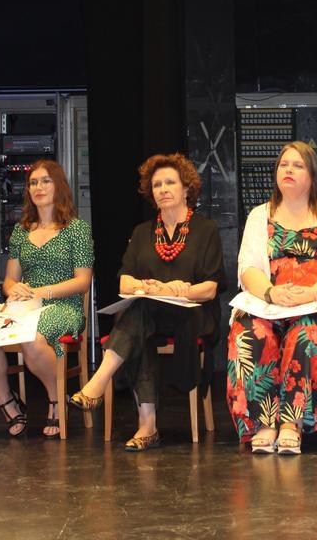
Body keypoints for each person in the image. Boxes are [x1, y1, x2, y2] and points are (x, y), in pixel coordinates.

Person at [68, 153, 224, 451]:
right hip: (151, 314)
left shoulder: (206, 230)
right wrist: (147, 287)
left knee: (139, 315)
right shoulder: (142, 232)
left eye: (170, 183)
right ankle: (147, 426)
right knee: (138, 313)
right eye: (157, 185)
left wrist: (177, 290)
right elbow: (125, 282)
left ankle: (99, 384)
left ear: (186, 189)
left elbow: (210, 289)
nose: (163, 189)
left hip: (193, 316)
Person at [226, 141, 317, 455]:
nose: (288, 170)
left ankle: (291, 423)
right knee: (247, 331)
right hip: (271, 301)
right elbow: (247, 268)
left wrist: (312, 293)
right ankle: (263, 423)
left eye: (297, 165)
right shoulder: (260, 215)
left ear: (312, 174)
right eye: (284, 165)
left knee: (306, 334)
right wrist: (272, 292)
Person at [0, 159, 94, 438]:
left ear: (58, 185)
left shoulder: (77, 229)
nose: (38, 187)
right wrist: (14, 289)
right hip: (26, 305)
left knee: (33, 339)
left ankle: (56, 399)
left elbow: (83, 281)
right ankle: (9, 403)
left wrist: (43, 292)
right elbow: (9, 280)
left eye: (45, 181)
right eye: (33, 182)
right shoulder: (21, 230)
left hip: (63, 305)